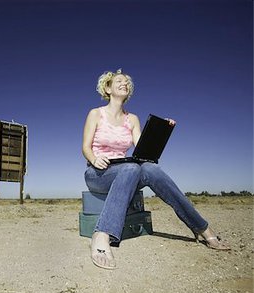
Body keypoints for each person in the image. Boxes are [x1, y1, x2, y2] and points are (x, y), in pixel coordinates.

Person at [82, 69, 230, 270]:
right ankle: (102, 234)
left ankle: (201, 227)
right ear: (108, 88)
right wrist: (94, 158)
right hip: (98, 173)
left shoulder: (132, 119)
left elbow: (143, 152)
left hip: (127, 171)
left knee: (150, 169)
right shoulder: (95, 113)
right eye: (119, 81)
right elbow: (85, 147)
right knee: (131, 168)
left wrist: (161, 131)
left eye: (127, 82)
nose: (124, 83)